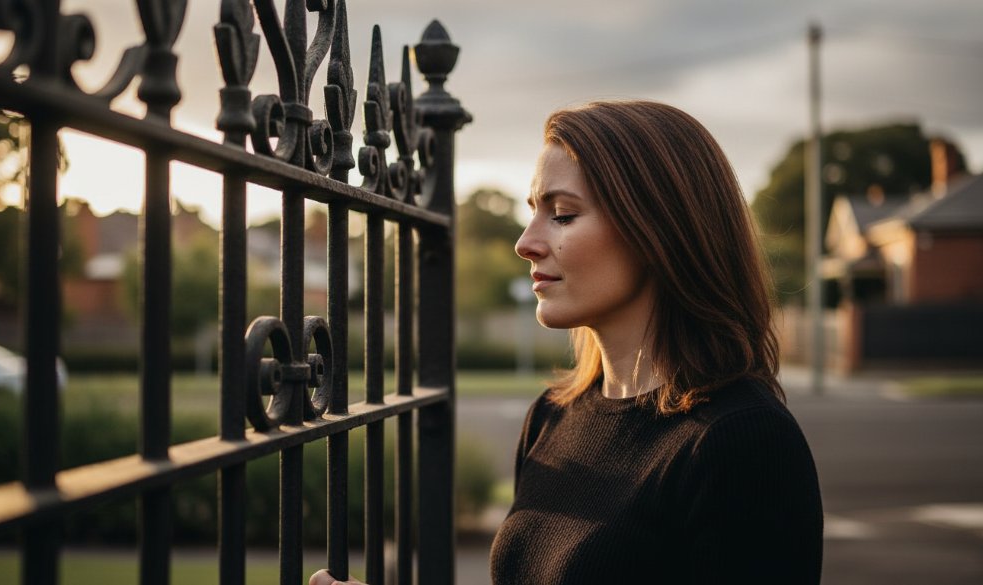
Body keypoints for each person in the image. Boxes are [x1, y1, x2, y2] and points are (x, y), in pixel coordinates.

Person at [311, 100, 823, 585]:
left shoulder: (741, 441)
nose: (525, 242)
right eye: (535, 210)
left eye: (562, 213)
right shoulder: (552, 416)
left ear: (659, 230)